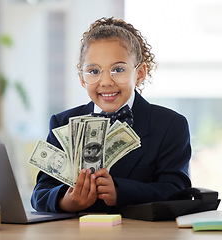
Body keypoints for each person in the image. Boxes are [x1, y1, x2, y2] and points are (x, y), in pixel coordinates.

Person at [31, 17, 191, 213]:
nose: (106, 81)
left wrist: (119, 191)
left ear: (139, 73)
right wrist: (66, 201)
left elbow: (177, 191)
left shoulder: (170, 125)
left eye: (118, 69)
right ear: (82, 78)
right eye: (94, 71)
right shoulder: (62, 123)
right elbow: (40, 193)